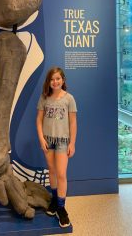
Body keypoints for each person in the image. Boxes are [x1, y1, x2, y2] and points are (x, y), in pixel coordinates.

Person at [36, 66, 77, 228]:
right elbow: (38, 120)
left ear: (63, 80)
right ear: (49, 81)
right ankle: (54, 200)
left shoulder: (69, 99)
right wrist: (41, 138)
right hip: (48, 140)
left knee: (61, 174)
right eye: (52, 79)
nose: (55, 81)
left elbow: (73, 123)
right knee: (51, 171)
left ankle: (61, 208)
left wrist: (72, 143)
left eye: (58, 78)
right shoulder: (44, 97)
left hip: (62, 141)